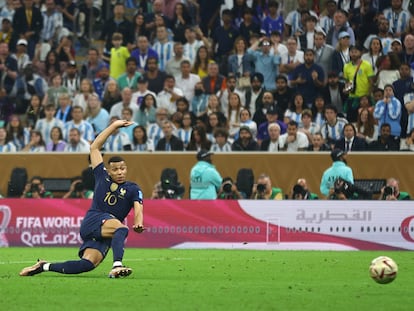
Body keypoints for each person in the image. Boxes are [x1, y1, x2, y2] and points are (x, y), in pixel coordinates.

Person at [19, 119, 145, 278]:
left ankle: (43, 267)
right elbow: (94, 147)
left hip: (107, 230)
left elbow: (138, 208)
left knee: (87, 265)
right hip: (94, 220)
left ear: (126, 169)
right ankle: (117, 266)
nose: (119, 172)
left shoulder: (133, 188)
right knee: (121, 228)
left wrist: (138, 223)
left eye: (122, 168)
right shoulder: (101, 176)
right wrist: (113, 126)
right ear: (109, 170)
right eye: (115, 169)